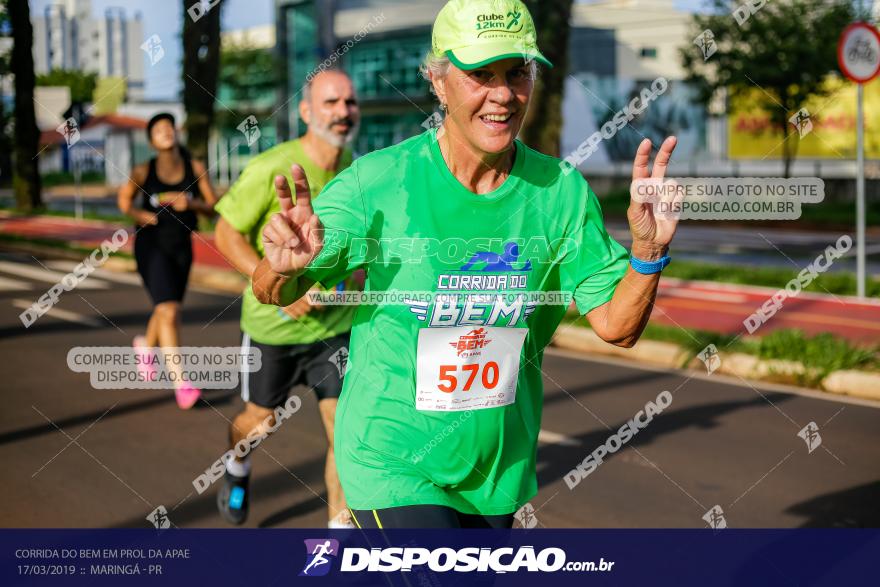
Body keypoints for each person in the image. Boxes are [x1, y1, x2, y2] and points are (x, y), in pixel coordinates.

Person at [251, 0, 681, 529]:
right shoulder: (378, 183)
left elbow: (617, 327)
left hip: (498, 474)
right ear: (437, 81)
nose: (502, 94)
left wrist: (648, 252)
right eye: (480, 74)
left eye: (517, 73)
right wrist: (281, 266)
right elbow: (271, 290)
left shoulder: (560, 192)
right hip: (392, 459)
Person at [213, 69, 361, 527]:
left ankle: (339, 538)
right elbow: (225, 233)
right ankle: (237, 466)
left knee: (345, 432)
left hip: (334, 328)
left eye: (350, 103)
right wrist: (282, 293)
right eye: (331, 103)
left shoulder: (356, 168)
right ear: (305, 111)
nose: (343, 113)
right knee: (260, 423)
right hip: (272, 329)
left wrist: (357, 274)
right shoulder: (273, 167)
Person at [118, 112, 218, 409]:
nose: (165, 131)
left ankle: (145, 346)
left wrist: (194, 203)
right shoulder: (142, 171)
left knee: (166, 308)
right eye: (158, 129)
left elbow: (214, 207)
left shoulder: (195, 167)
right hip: (151, 246)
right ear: (151, 140)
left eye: (169, 127)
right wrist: (140, 215)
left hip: (181, 247)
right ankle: (181, 383)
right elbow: (124, 201)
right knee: (169, 310)